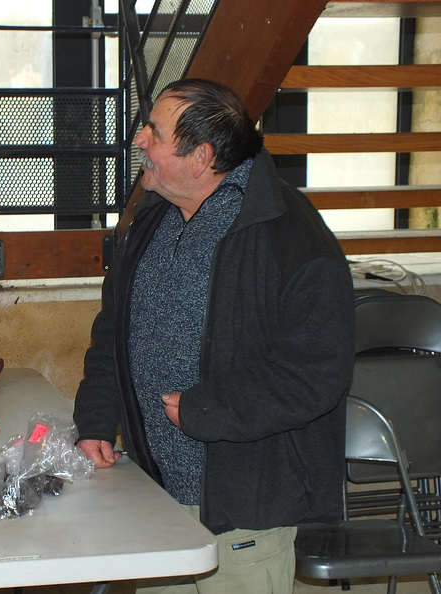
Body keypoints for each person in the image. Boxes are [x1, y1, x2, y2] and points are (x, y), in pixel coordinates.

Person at [73, 78, 355, 594]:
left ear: (199, 157)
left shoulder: (292, 236)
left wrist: (210, 410)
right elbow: (112, 333)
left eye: (153, 133)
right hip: (157, 498)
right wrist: (94, 420)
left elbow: (317, 372)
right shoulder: (150, 217)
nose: (139, 140)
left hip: (246, 511)